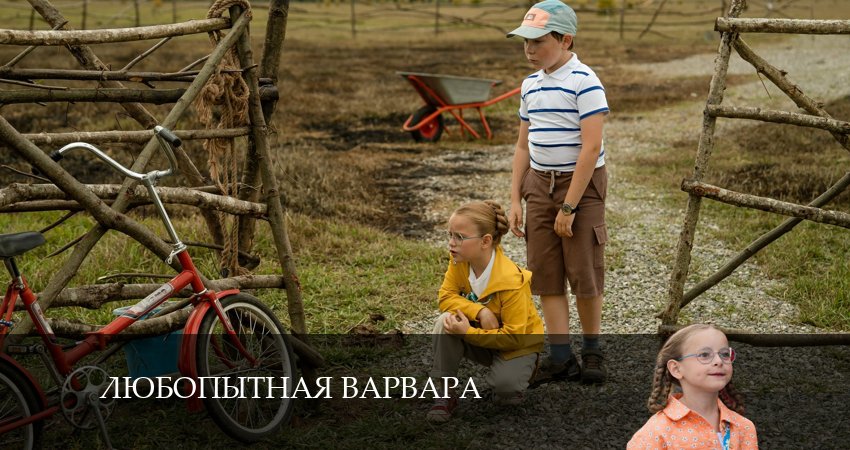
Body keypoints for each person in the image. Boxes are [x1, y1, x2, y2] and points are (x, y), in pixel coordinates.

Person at [506, 0, 610, 385]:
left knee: (583, 269)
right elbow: (522, 145)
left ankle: (593, 350)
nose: (529, 50)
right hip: (539, 183)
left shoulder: (585, 81)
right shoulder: (530, 85)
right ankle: (561, 357)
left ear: (565, 40)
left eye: (538, 41)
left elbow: (591, 147)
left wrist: (569, 207)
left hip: (580, 186)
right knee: (545, 272)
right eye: (525, 42)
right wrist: (515, 198)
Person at [428, 200, 544, 423]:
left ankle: (523, 371)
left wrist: (468, 333)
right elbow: (446, 297)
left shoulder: (512, 281)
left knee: (505, 392)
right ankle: (444, 394)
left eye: (459, 237)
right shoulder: (459, 261)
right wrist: (480, 312)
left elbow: (514, 337)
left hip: (516, 346)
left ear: (486, 241)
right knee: (446, 321)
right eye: (450, 235)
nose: (451, 243)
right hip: (485, 334)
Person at [627, 324, 759, 449]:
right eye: (704, 355)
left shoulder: (744, 427)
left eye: (725, 354)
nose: (719, 361)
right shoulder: (655, 432)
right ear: (676, 369)